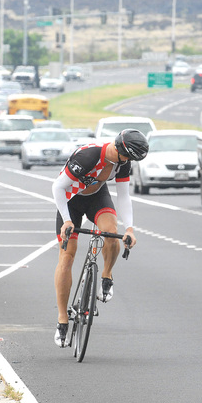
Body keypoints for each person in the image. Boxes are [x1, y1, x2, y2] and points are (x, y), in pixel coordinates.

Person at [51, 129, 149, 347]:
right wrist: (67, 221)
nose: (129, 162)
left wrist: (130, 229)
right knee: (67, 256)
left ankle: (106, 275)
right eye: (129, 157)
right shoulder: (89, 156)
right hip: (70, 201)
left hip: (97, 197)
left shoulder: (123, 163)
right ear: (120, 149)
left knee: (112, 233)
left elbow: (123, 196)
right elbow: (57, 186)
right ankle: (62, 319)